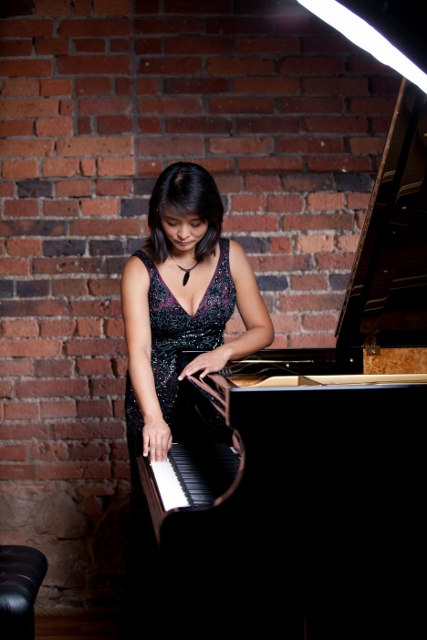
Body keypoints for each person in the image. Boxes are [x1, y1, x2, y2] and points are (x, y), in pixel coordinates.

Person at [119, 161, 274, 634]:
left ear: (212, 218)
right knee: (159, 519)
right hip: (155, 403)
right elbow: (139, 351)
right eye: (172, 222)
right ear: (156, 217)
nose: (184, 234)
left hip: (212, 403)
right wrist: (153, 419)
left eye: (195, 222)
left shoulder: (231, 256)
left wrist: (223, 351)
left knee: (220, 510)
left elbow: (263, 329)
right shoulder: (139, 268)